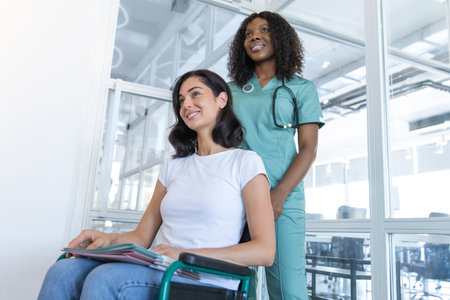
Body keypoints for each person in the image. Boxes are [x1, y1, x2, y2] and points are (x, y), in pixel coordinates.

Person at [38, 69, 275, 300]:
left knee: (106, 278)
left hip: (203, 277)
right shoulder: (174, 167)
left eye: (195, 94)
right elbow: (142, 236)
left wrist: (183, 254)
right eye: (181, 100)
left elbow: (265, 251)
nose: (186, 105)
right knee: (63, 271)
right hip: (160, 267)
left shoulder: (245, 162)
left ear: (221, 99)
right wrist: (106, 238)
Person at [228, 11, 325, 300]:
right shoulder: (230, 91)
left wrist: (279, 194)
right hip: (234, 192)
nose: (255, 36)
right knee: (235, 282)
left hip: (283, 195)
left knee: (288, 288)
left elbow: (309, 148)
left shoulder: (301, 88)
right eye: (248, 33)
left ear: (280, 38)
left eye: (264, 30)